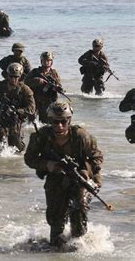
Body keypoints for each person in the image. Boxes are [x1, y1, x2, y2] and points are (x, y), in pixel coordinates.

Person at [24, 101, 103, 247]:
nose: (59, 126)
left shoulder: (81, 136)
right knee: (55, 218)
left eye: (63, 122)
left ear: (69, 121)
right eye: (55, 122)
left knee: (78, 209)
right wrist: (47, 165)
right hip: (55, 177)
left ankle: (79, 242)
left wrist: (87, 171)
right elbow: (29, 158)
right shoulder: (41, 136)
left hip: (81, 179)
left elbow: (97, 157)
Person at [0, 63, 35, 152]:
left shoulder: (25, 90)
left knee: (17, 148)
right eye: (11, 76)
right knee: (1, 143)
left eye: (16, 77)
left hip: (15, 120)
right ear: (7, 75)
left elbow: (31, 108)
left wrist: (18, 111)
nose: (13, 79)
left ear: (20, 77)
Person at [25, 51, 62, 124]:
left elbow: (59, 85)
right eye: (45, 60)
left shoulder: (54, 73)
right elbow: (25, 83)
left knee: (47, 123)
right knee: (31, 123)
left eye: (49, 60)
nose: (47, 62)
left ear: (51, 62)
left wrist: (56, 88)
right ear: (41, 61)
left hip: (48, 101)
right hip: (35, 100)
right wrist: (36, 81)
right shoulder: (35, 72)